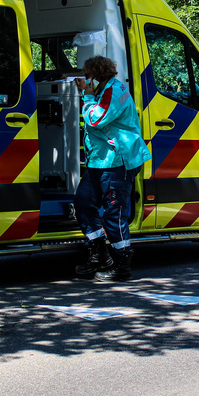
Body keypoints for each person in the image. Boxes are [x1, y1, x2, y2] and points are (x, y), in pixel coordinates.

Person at [73, 55, 151, 281]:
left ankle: (122, 263)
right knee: (84, 204)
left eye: (88, 76)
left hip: (118, 161)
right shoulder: (103, 90)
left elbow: (96, 120)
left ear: (97, 76)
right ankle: (99, 254)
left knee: (113, 213)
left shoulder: (113, 92)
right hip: (100, 161)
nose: (86, 81)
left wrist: (86, 96)